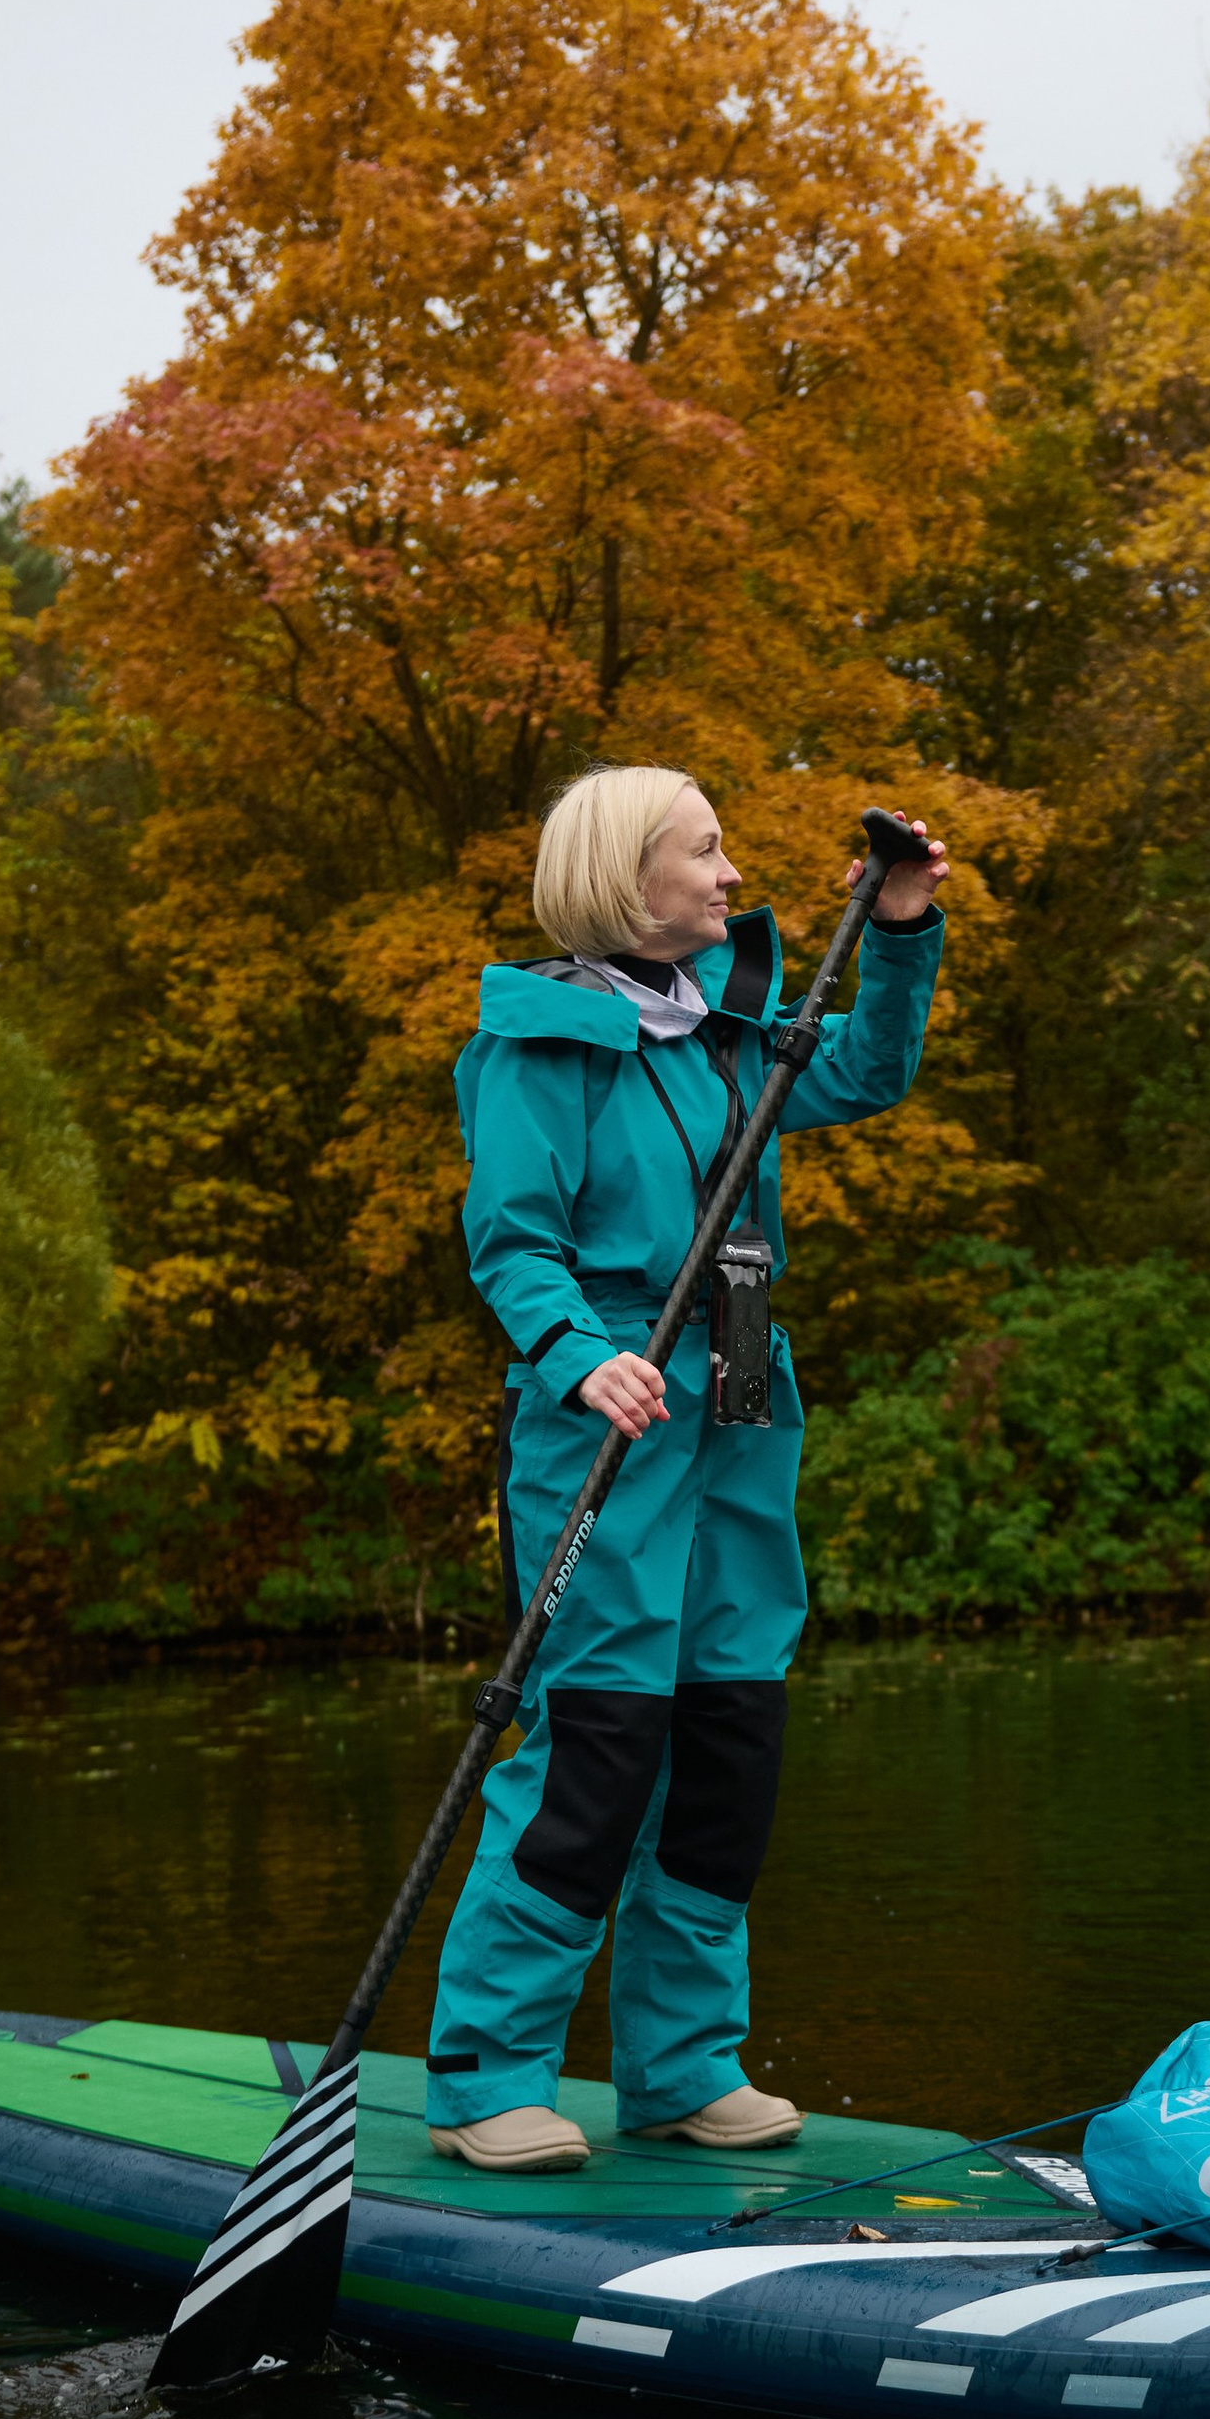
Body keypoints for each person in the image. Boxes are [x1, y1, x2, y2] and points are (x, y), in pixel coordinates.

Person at [423, 766, 949, 2172]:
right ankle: (487, 2075)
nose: (731, 875)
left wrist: (900, 925)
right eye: (704, 851)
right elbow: (513, 1242)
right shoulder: (537, 1047)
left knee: (727, 1738)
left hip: (741, 1404)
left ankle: (681, 2065)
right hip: (607, 1419)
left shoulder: (732, 1035)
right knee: (599, 1743)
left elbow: (868, 1070)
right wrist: (574, 1353)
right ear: (625, 877)